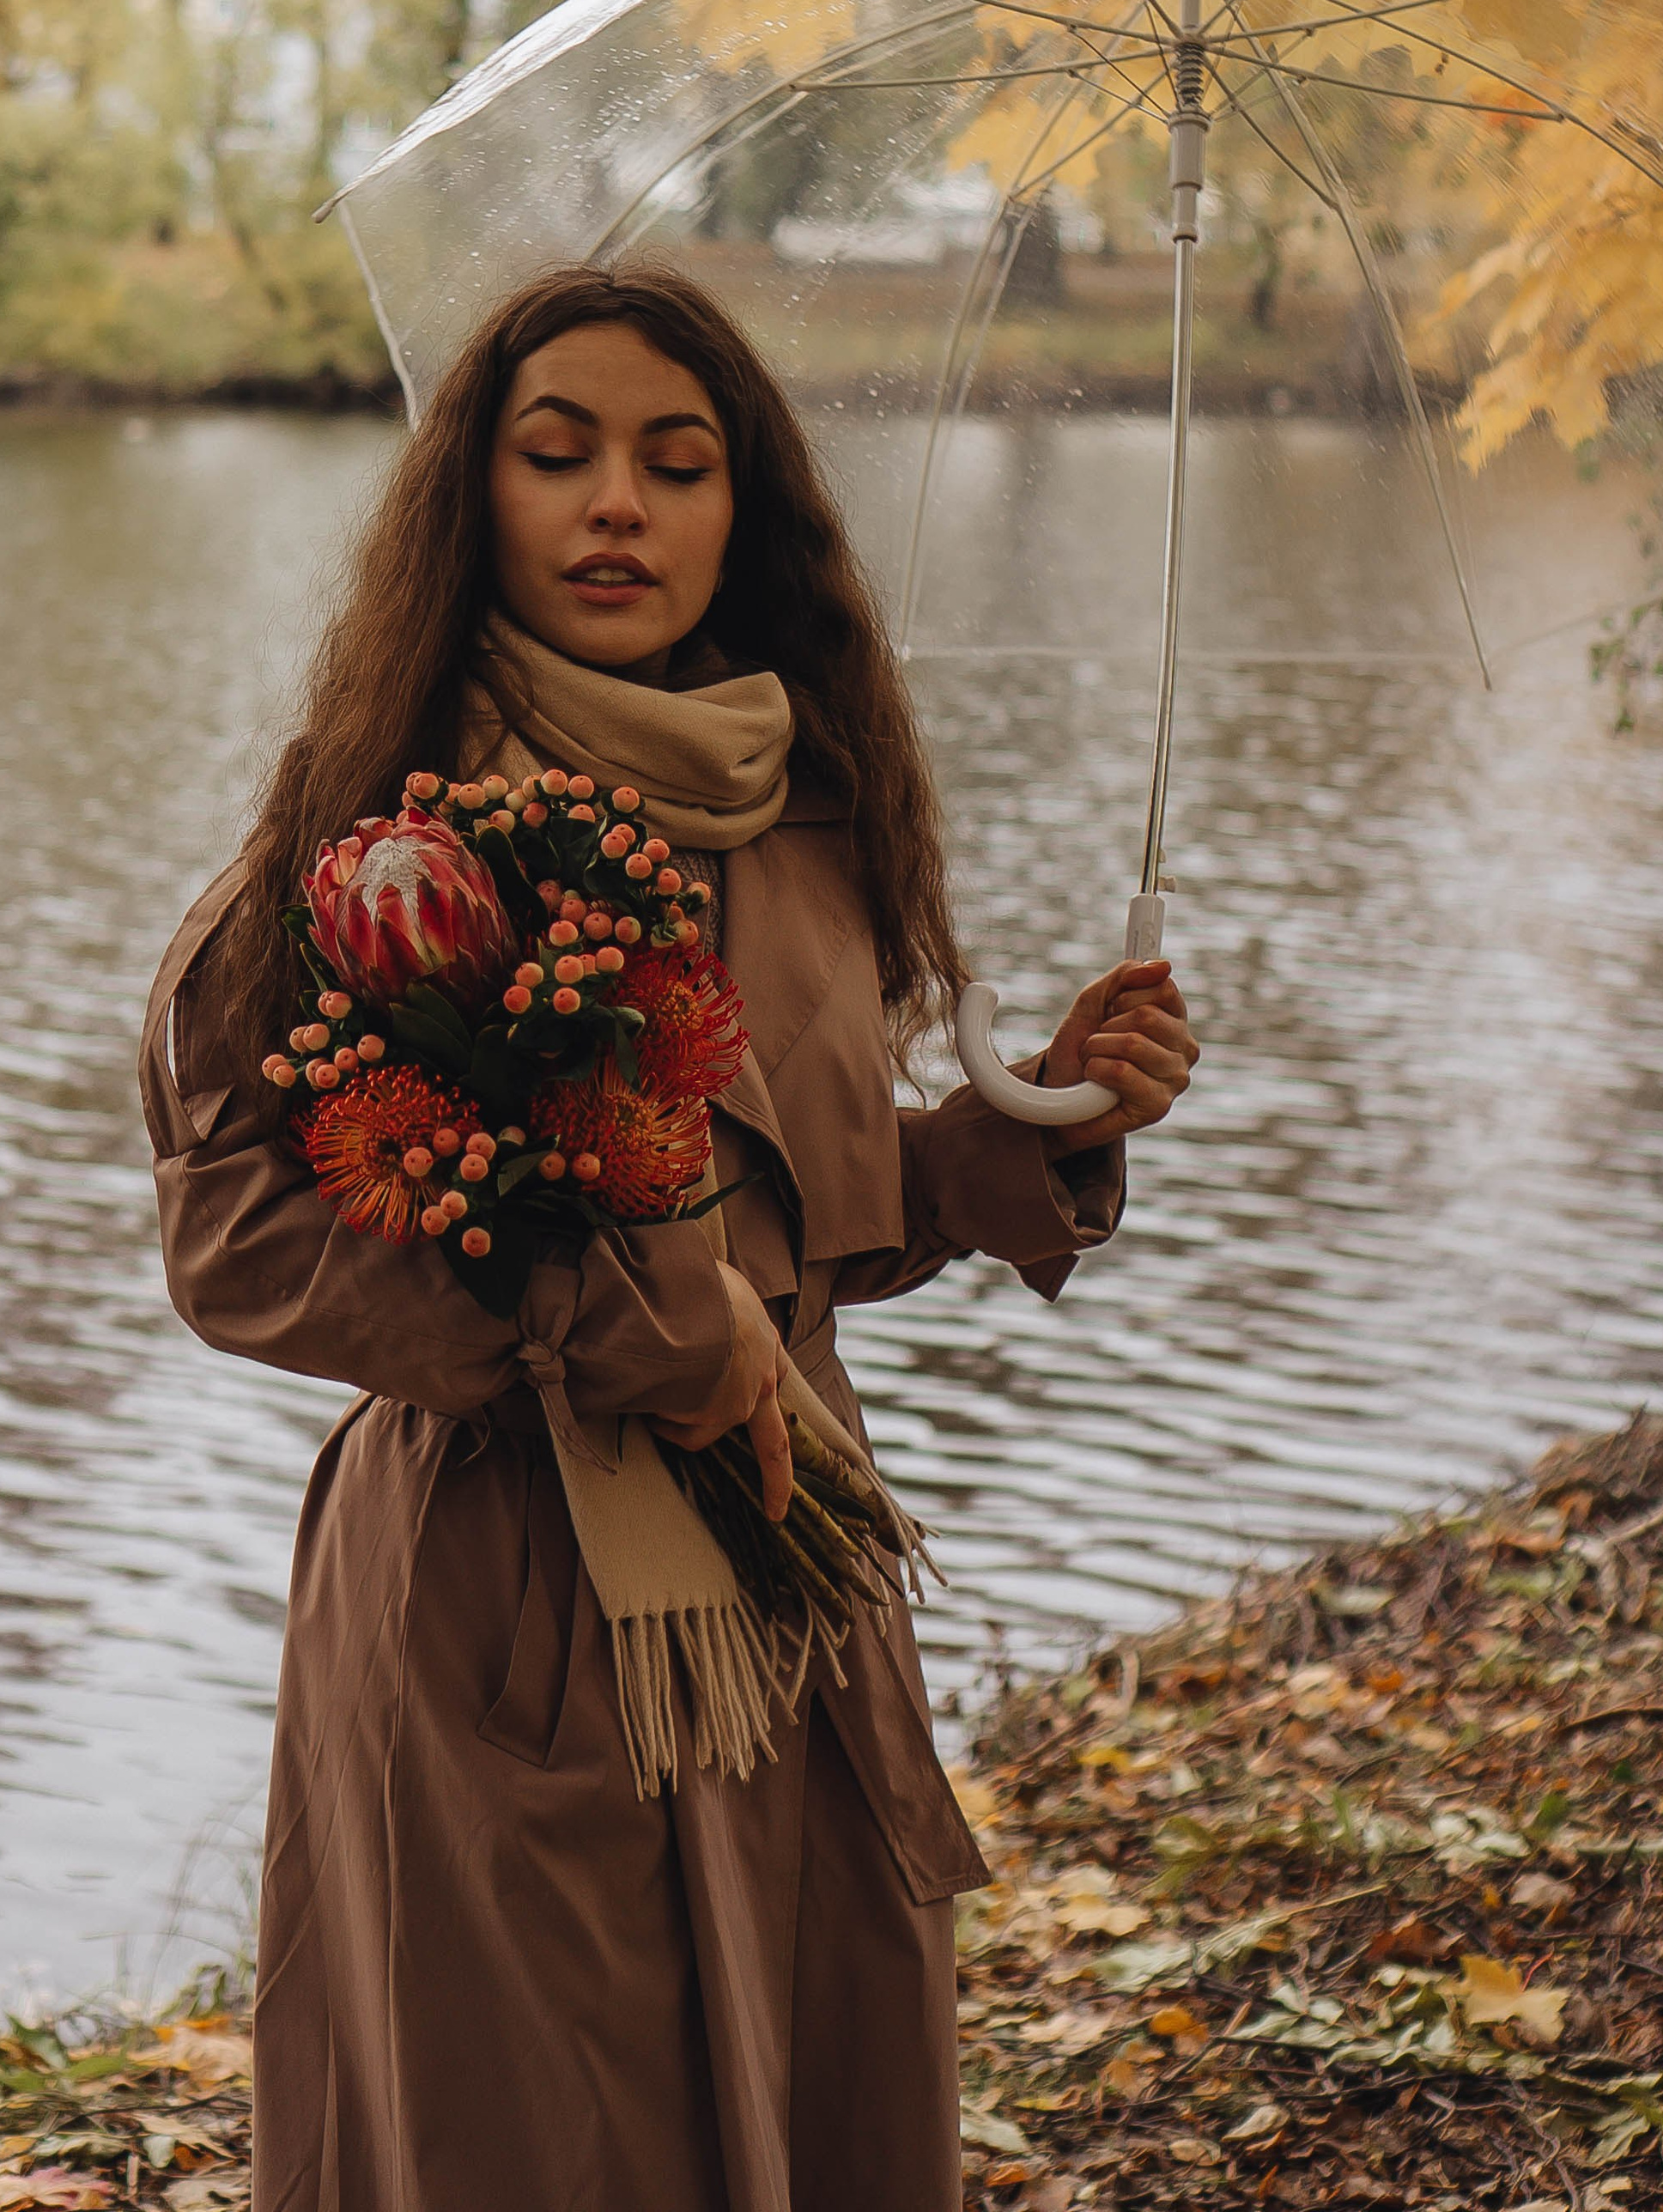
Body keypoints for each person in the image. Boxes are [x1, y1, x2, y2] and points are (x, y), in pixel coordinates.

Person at [137, 262, 1197, 2212]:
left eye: (675, 460)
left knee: (815, 2096)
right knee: (530, 2127)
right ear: (482, 498)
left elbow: (785, 1212)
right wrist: (592, 1324)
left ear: (743, 510)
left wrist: (1016, 1139)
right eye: (559, 454)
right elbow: (230, 1229)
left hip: (782, 1569)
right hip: (498, 1592)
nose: (616, 501)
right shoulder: (379, 831)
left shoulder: (800, 808)